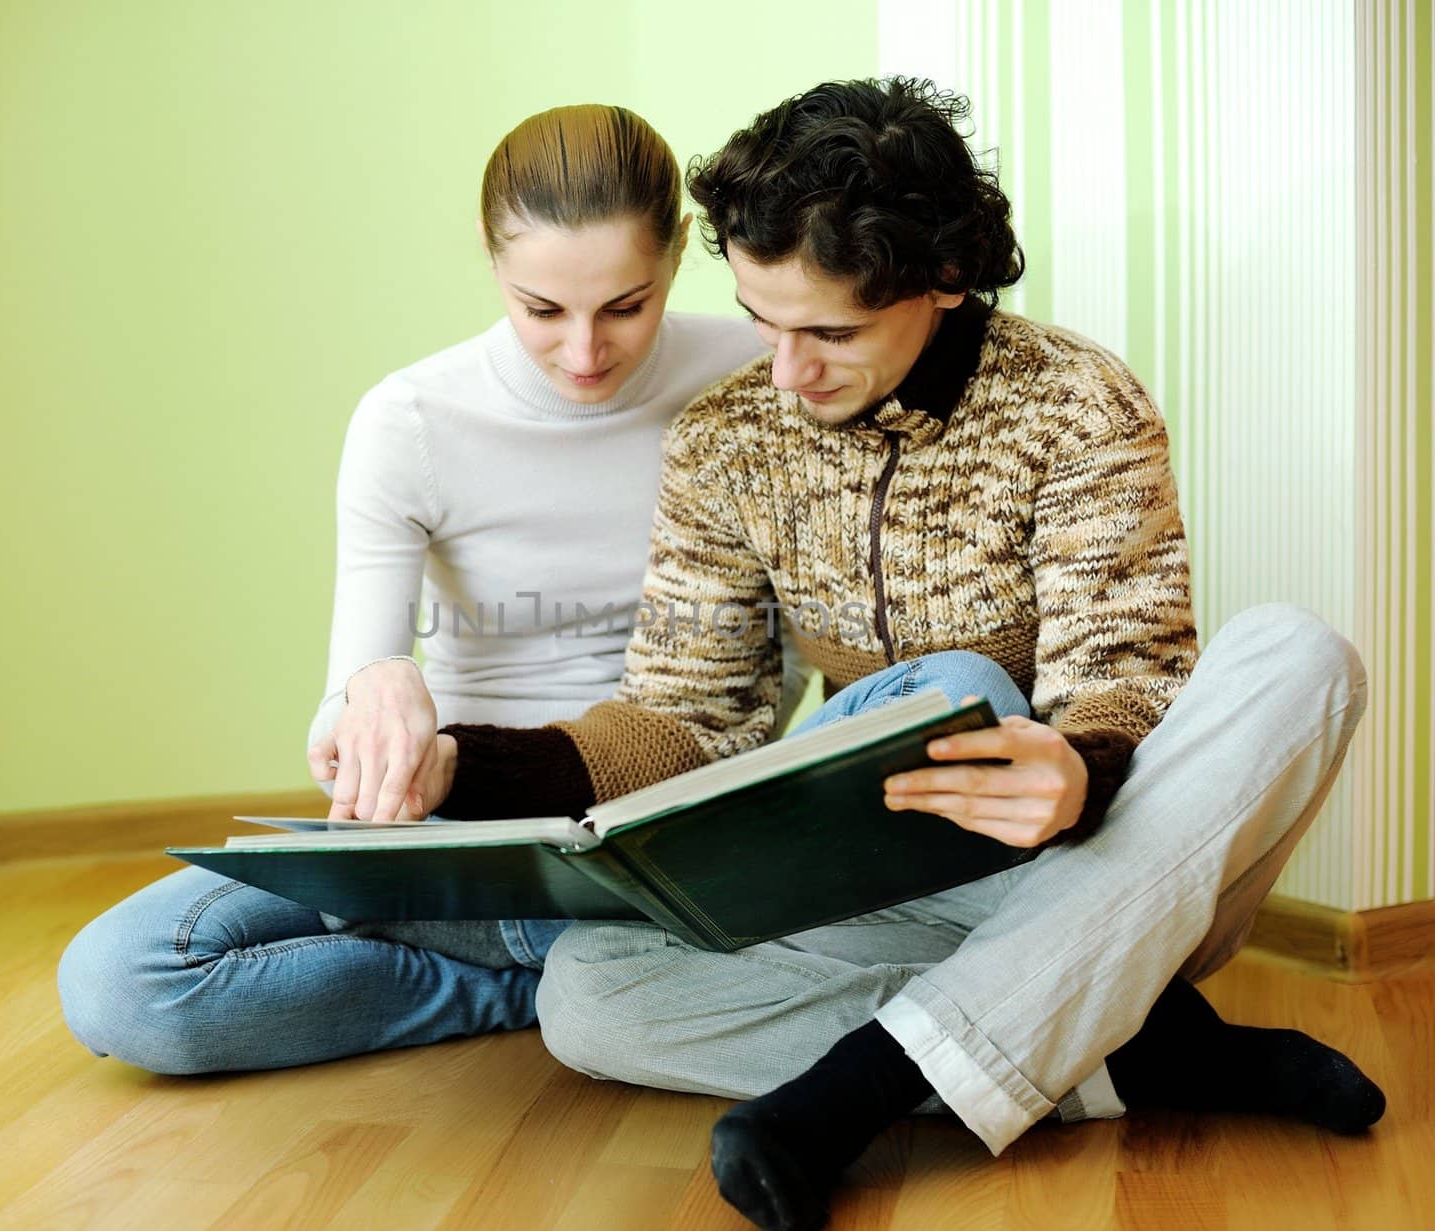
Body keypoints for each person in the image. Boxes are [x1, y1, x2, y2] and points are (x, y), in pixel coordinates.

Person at [402, 79, 1384, 1231]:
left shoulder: (1076, 404)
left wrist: (1082, 764)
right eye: (765, 325)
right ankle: (1125, 1050)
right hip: (898, 883)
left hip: (1100, 864)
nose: (785, 372)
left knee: (1299, 655)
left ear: (942, 279)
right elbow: (688, 717)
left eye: (830, 333)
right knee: (587, 995)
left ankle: (856, 1091)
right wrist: (455, 762)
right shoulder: (724, 441)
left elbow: (1128, 665)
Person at [55, 103, 806, 1075]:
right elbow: (349, 705)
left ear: (674, 258)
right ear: (494, 267)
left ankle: (560, 961)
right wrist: (375, 686)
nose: (585, 352)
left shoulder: (763, 375)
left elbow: (783, 664)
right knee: (124, 985)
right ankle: (530, 986)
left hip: (663, 827)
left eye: (626, 304)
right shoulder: (410, 419)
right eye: (542, 309)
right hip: (462, 821)